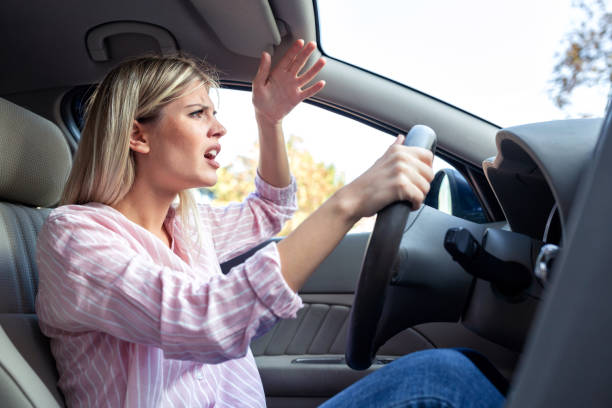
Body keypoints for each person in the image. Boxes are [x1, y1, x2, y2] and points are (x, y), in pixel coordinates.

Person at [35, 39, 502, 407]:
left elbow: (268, 212)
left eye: (215, 114)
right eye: (198, 113)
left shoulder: (187, 228)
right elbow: (208, 320)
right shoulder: (75, 238)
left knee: (466, 366)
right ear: (137, 134)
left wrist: (269, 120)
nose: (219, 128)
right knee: (446, 381)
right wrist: (351, 200)